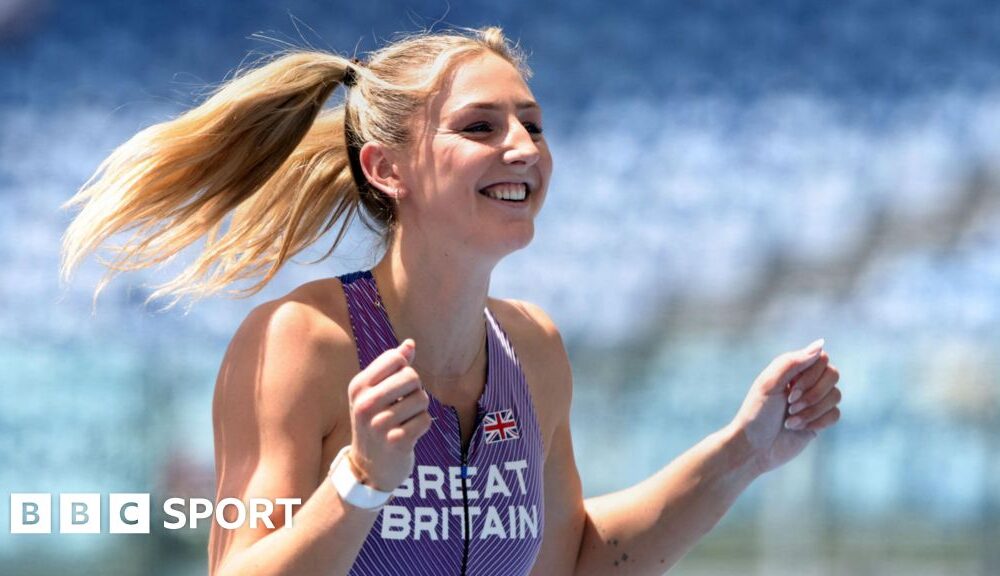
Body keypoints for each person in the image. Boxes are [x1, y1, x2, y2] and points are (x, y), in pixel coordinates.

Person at [60, 26, 843, 576]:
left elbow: (573, 563)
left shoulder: (534, 350)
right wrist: (361, 479)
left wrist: (744, 451)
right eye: (482, 126)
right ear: (387, 169)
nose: (524, 148)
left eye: (533, 125)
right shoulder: (301, 343)